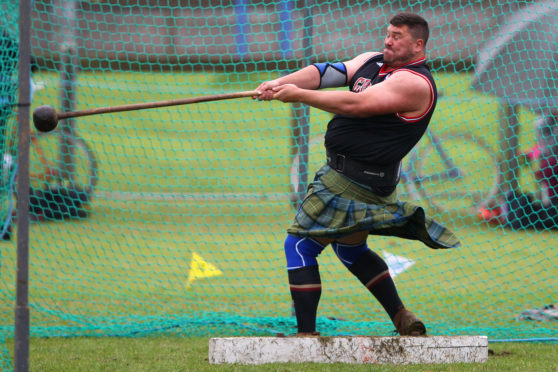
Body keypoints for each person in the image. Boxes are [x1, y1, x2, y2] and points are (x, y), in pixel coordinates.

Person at [254, 12, 460, 337]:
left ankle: (305, 336)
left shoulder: (413, 82)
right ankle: (402, 317)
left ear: (418, 44)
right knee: (350, 249)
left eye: (397, 37)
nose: (388, 40)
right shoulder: (372, 62)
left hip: (356, 179)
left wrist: (298, 96)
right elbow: (326, 73)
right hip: (349, 174)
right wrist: (283, 82)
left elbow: (357, 105)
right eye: (388, 33)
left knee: (299, 245)